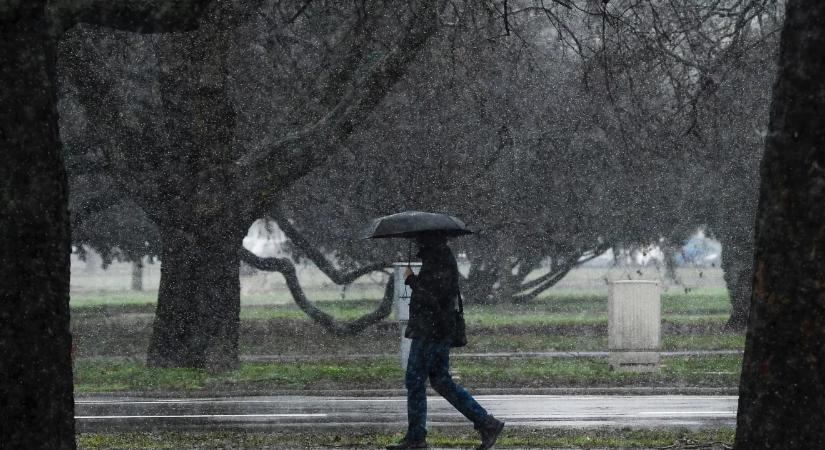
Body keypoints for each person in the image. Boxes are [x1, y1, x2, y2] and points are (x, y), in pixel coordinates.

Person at [387, 234, 504, 450]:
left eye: (418, 239)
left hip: (431, 331)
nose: (415, 242)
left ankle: (416, 438)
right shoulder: (436, 257)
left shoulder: (439, 258)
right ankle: (486, 423)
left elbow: (432, 297)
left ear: (428, 239)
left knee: (415, 380)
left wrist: (411, 279)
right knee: (441, 381)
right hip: (436, 329)